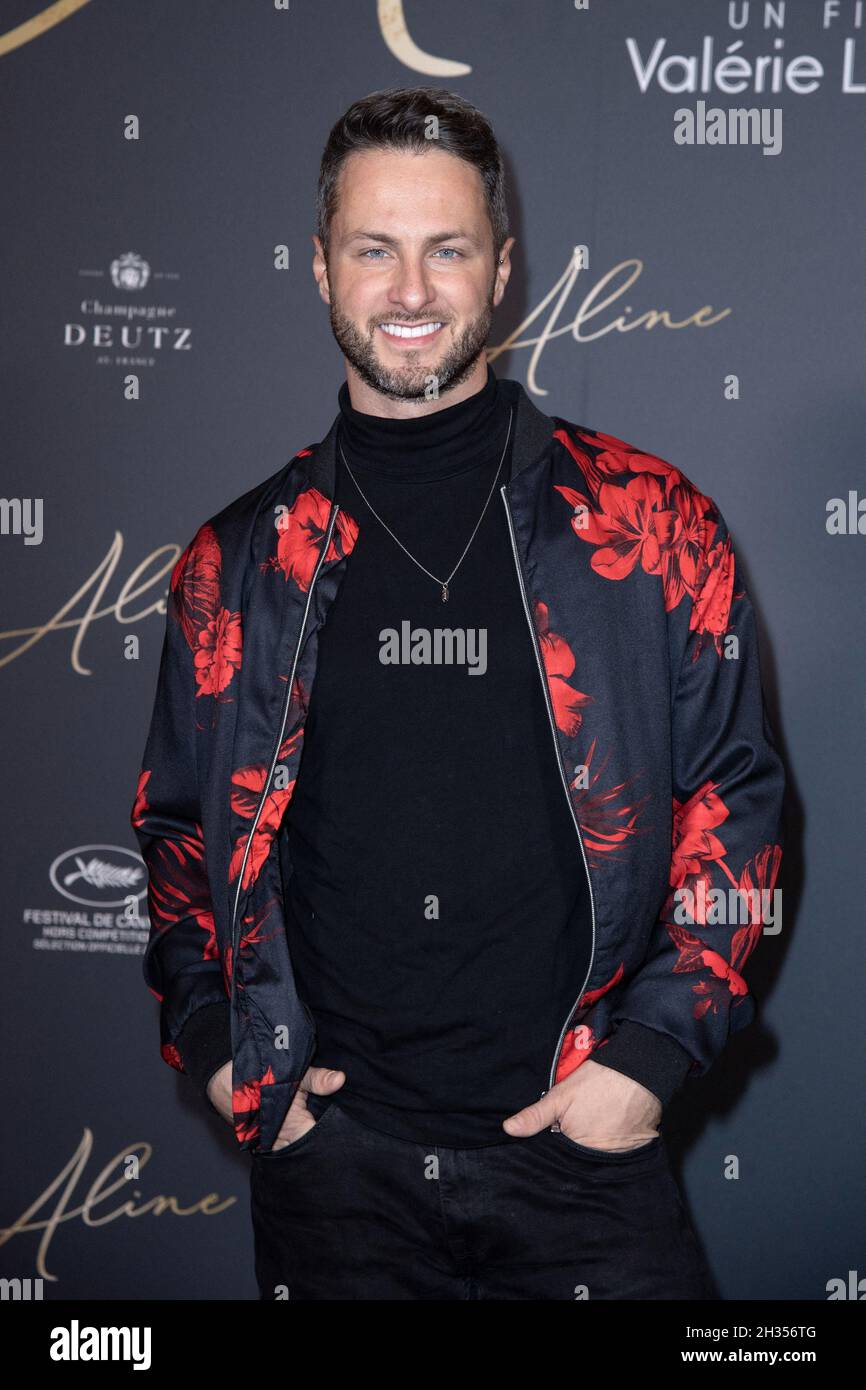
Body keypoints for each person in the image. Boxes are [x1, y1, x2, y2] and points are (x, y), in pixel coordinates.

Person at [131, 86, 785, 1300]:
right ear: (320, 267)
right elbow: (176, 836)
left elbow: (735, 802)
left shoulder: (649, 530)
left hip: (584, 1154)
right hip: (335, 1173)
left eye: (447, 249)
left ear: (501, 270)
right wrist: (225, 1048)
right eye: (374, 249)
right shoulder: (232, 564)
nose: (412, 290)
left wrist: (646, 1058)